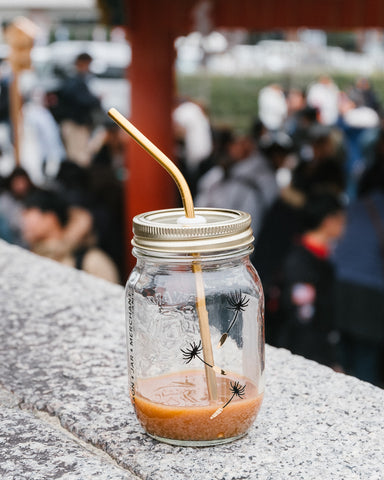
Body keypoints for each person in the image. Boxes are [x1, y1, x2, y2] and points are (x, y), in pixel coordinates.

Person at [333, 146, 384, 386]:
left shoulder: (354, 206)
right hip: (372, 293)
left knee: (342, 355)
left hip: (341, 286)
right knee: (366, 361)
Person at [278, 192, 346, 367]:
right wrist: (325, 362)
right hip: (304, 357)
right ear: (328, 221)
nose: (345, 224)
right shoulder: (301, 263)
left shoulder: (320, 256)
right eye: (342, 219)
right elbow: (303, 318)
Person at [21, 189, 119, 284]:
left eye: (29, 212)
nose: (24, 220)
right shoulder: (31, 260)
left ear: (50, 217)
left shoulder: (92, 261)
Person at [195, 133, 279, 240]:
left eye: (234, 142)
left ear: (248, 144)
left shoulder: (263, 178)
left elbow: (249, 229)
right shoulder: (216, 174)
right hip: (203, 239)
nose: (228, 147)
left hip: (232, 248)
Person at [59, 53, 103, 167]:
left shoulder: (74, 80)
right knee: (78, 160)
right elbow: (82, 100)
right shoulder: (75, 81)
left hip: (75, 125)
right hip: (75, 125)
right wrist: (96, 100)